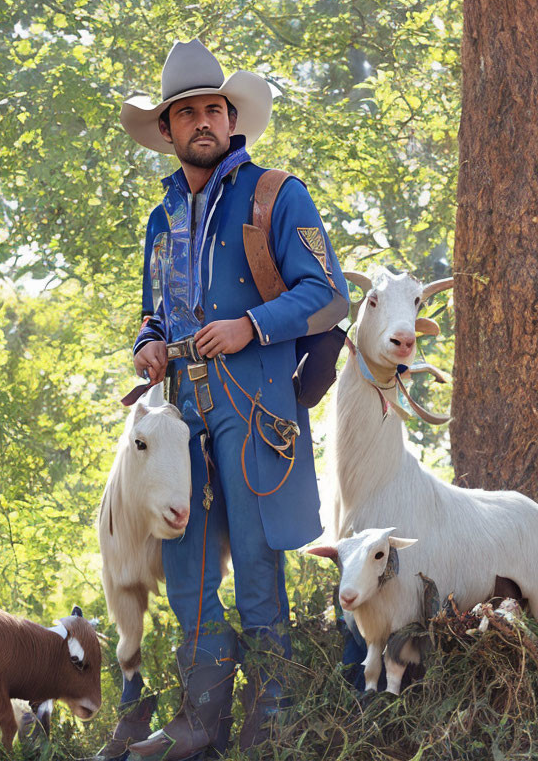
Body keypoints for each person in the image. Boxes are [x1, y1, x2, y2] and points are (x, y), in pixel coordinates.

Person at [119, 39, 348, 761]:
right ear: (167, 130)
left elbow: (327, 294)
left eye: (214, 108)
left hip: (252, 399)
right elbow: (153, 311)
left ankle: (276, 712)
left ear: (231, 117)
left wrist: (249, 324)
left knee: (255, 558)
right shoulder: (160, 220)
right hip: (180, 406)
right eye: (188, 114)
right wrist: (148, 344)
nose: (205, 121)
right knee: (184, 563)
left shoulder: (277, 193)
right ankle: (200, 718)